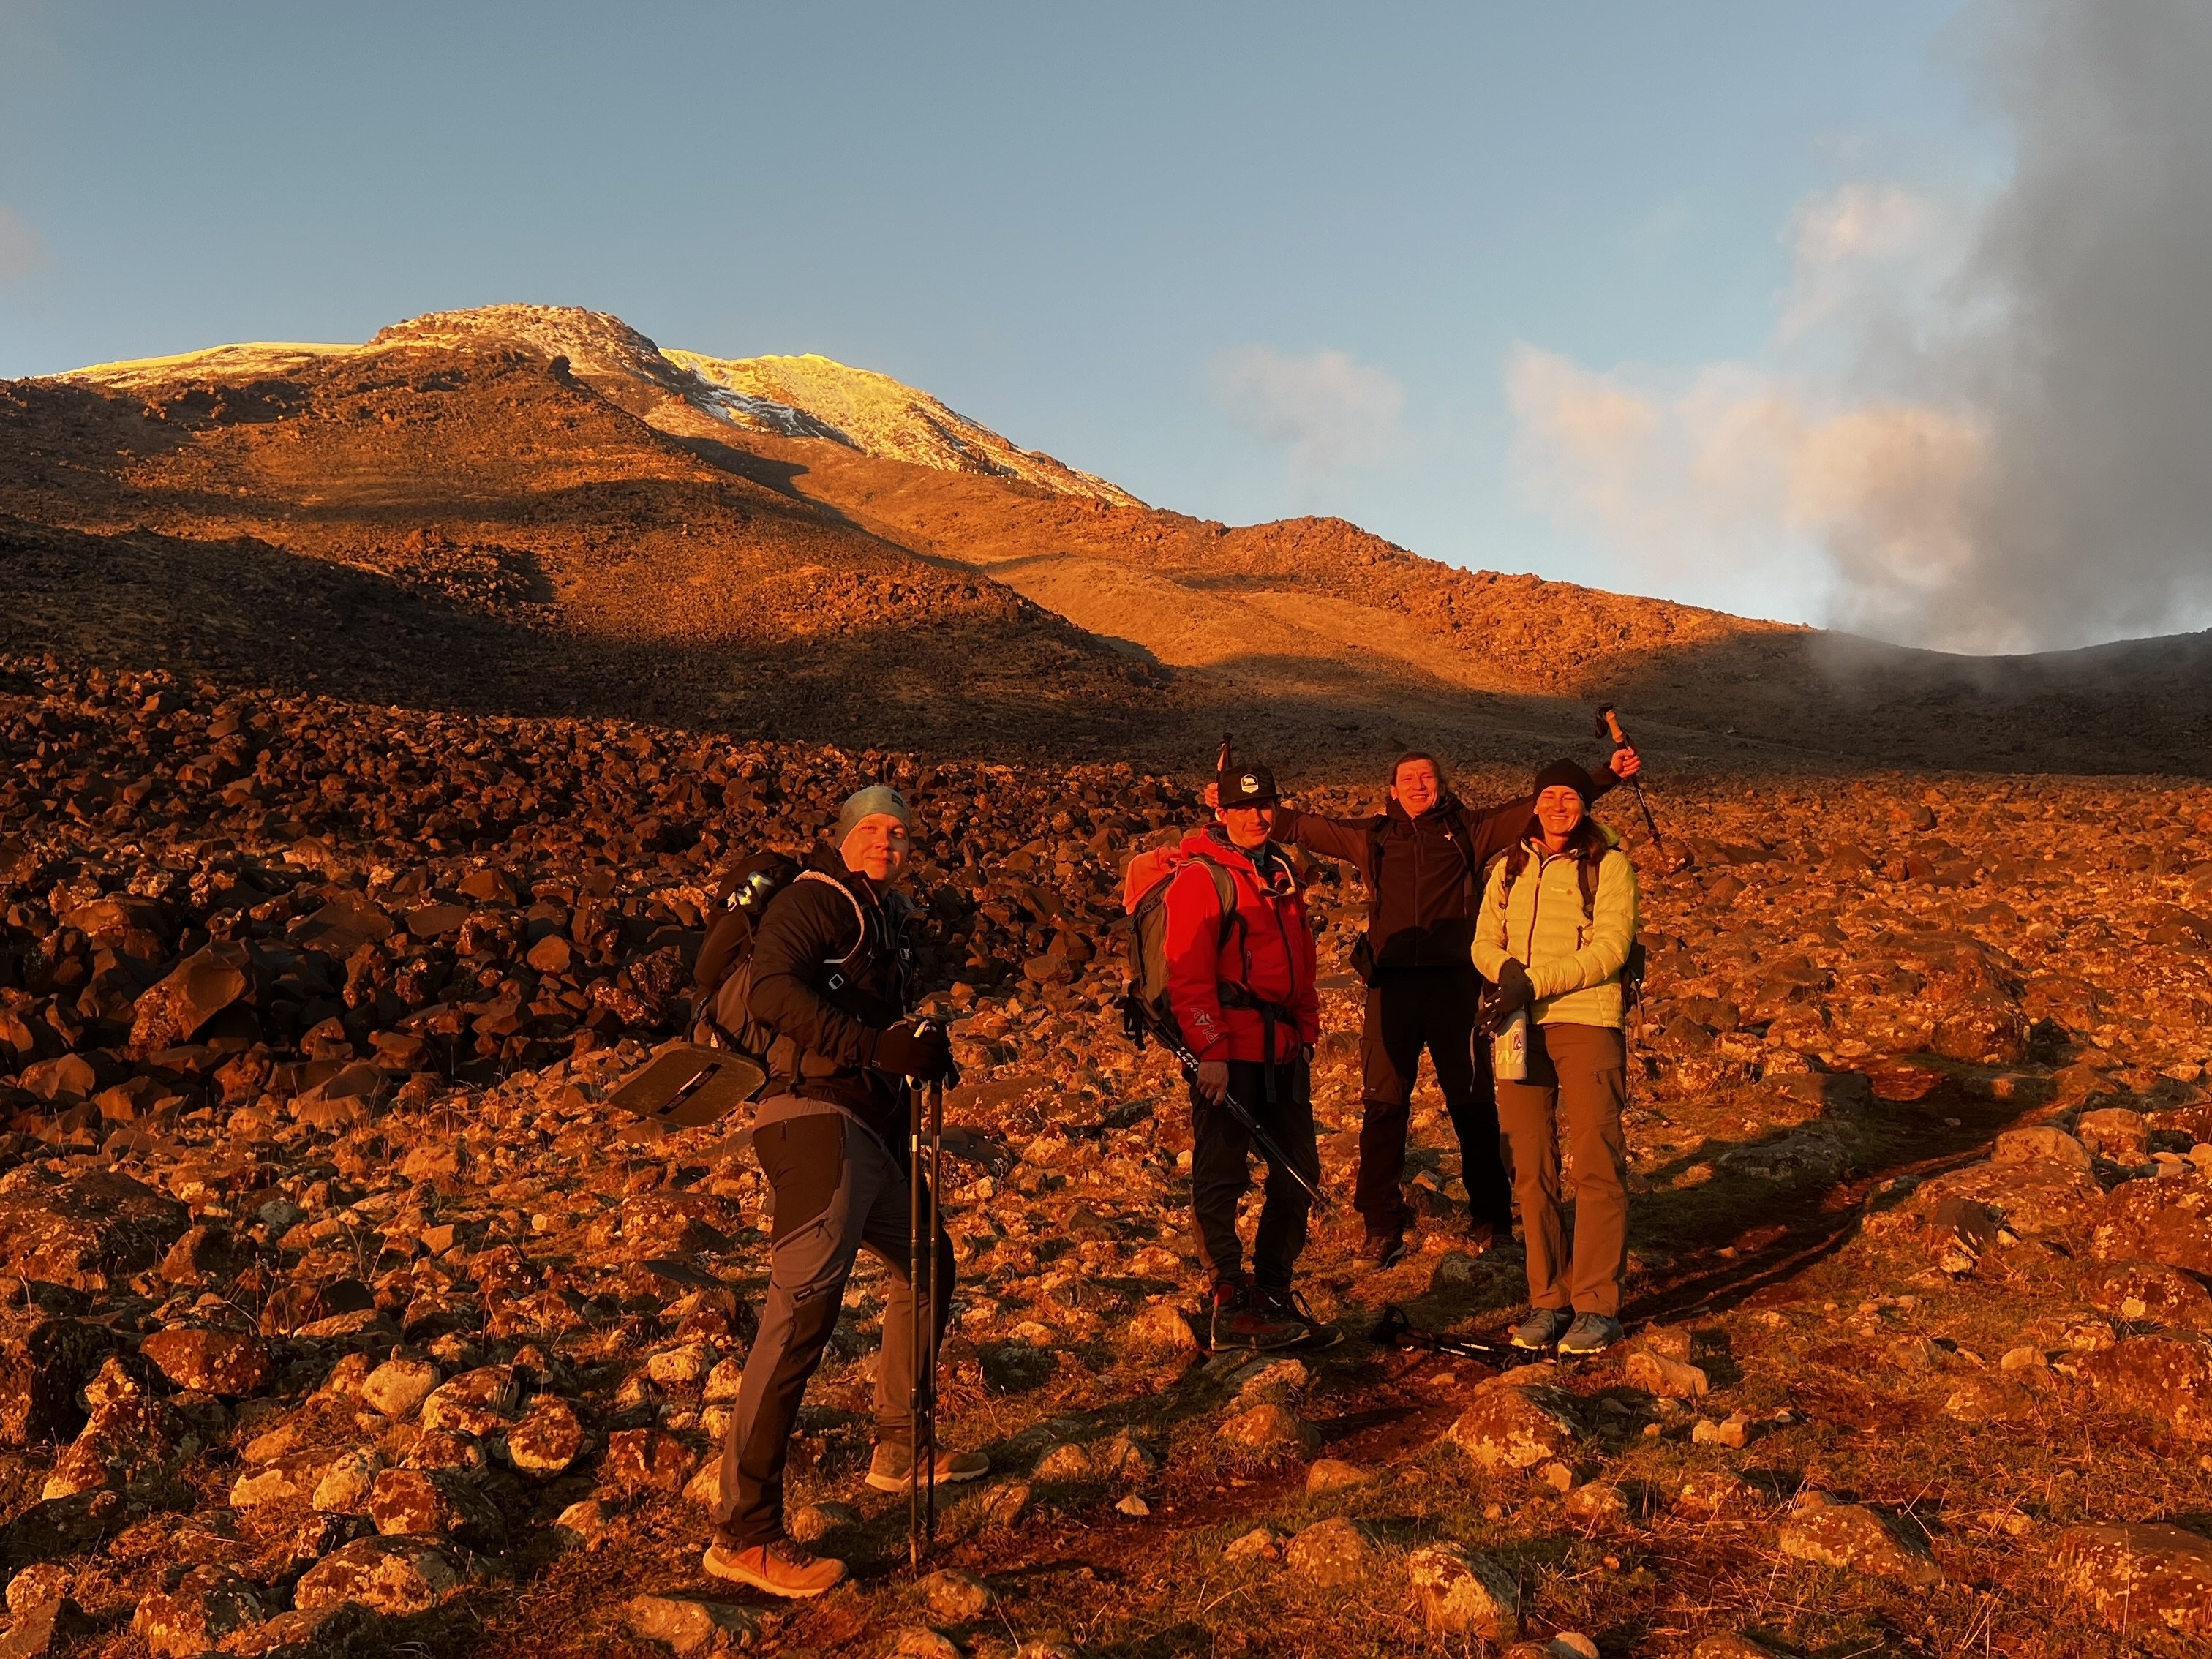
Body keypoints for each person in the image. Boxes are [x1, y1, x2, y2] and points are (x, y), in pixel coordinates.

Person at [706, 784, 986, 1597]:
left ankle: (900, 1447)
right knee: (800, 1315)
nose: (886, 842)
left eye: (899, 832)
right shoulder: (814, 899)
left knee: (928, 1262)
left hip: (868, 1128)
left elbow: (873, 1036)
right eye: (872, 828)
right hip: (813, 1122)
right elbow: (771, 994)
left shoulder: (880, 917)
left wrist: (915, 1053)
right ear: (843, 836)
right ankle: (744, 1531)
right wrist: (877, 1047)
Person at [1263, 746, 1637, 1266]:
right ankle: (1381, 1224)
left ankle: (1492, 1221)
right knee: (1384, 1105)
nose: (1419, 785)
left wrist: (1607, 776)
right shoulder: (1371, 835)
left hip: (1457, 987)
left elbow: (1543, 803)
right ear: (1391, 791)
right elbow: (1304, 827)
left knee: (1473, 1105)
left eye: (1428, 777)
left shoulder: (1469, 830)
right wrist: (1241, 803)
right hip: (1390, 989)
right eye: (1408, 779)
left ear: (1440, 785)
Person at [1472, 759, 1641, 1358]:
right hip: (1518, 1026)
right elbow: (1482, 941)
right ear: (1535, 802)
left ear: (1585, 804)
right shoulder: (1509, 867)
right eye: (1549, 795)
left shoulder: (1609, 865)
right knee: (1529, 1164)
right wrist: (1506, 976)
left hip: (1587, 1021)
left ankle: (1596, 1304)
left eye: (1569, 795)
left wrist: (1531, 982)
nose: (1559, 806)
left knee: (1596, 1158)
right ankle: (1548, 1299)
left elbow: (1610, 949)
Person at [1165, 758, 1328, 1350]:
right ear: (1221, 812)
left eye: (1264, 807)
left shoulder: (1282, 874)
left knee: (1298, 1175)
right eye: (1242, 808)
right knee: (1221, 1176)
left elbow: (1302, 964)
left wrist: (1306, 1032)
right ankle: (1229, 1300)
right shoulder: (1202, 879)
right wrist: (1209, 1048)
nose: (1256, 817)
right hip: (1228, 1055)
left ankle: (1275, 1292)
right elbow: (1187, 974)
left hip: (1282, 1050)